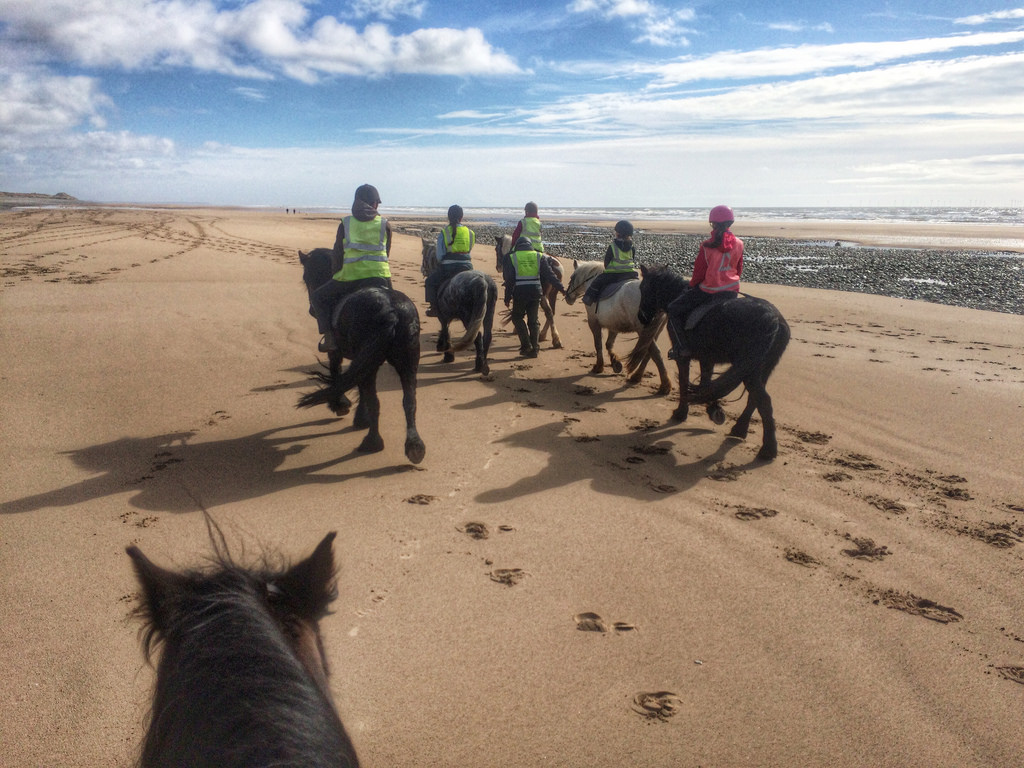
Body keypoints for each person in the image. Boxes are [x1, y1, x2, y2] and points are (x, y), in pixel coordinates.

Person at [311, 184, 393, 352]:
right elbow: (386, 253)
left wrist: (336, 275)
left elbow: (337, 256)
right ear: (374, 203)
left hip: (350, 277)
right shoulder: (385, 224)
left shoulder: (345, 224)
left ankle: (329, 338)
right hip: (381, 277)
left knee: (317, 297)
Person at [666, 204, 744, 360]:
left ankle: (682, 347)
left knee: (673, 309)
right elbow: (739, 269)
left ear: (712, 223)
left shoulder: (707, 246)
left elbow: (699, 274)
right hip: (731, 292)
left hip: (709, 291)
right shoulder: (739, 243)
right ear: (730, 222)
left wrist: (691, 286)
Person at [502, 235, 565, 357]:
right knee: (533, 320)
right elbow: (550, 275)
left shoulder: (512, 257)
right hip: (536, 291)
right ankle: (535, 349)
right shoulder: (539, 256)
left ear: (518, 246)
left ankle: (526, 345)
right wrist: (561, 288)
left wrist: (507, 297)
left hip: (520, 291)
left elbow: (509, 280)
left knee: (517, 318)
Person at [424, 205, 475, 317]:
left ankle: (434, 308)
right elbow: (469, 248)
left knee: (429, 282)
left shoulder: (444, 232)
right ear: (461, 217)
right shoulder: (470, 232)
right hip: (467, 267)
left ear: (448, 217)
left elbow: (440, 255)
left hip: (448, 268)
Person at [582, 219, 638, 306]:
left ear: (618, 233)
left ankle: (588, 299)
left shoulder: (613, 246)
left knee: (596, 282)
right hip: (630, 273)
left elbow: (606, 263)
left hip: (613, 274)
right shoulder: (632, 247)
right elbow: (632, 259)